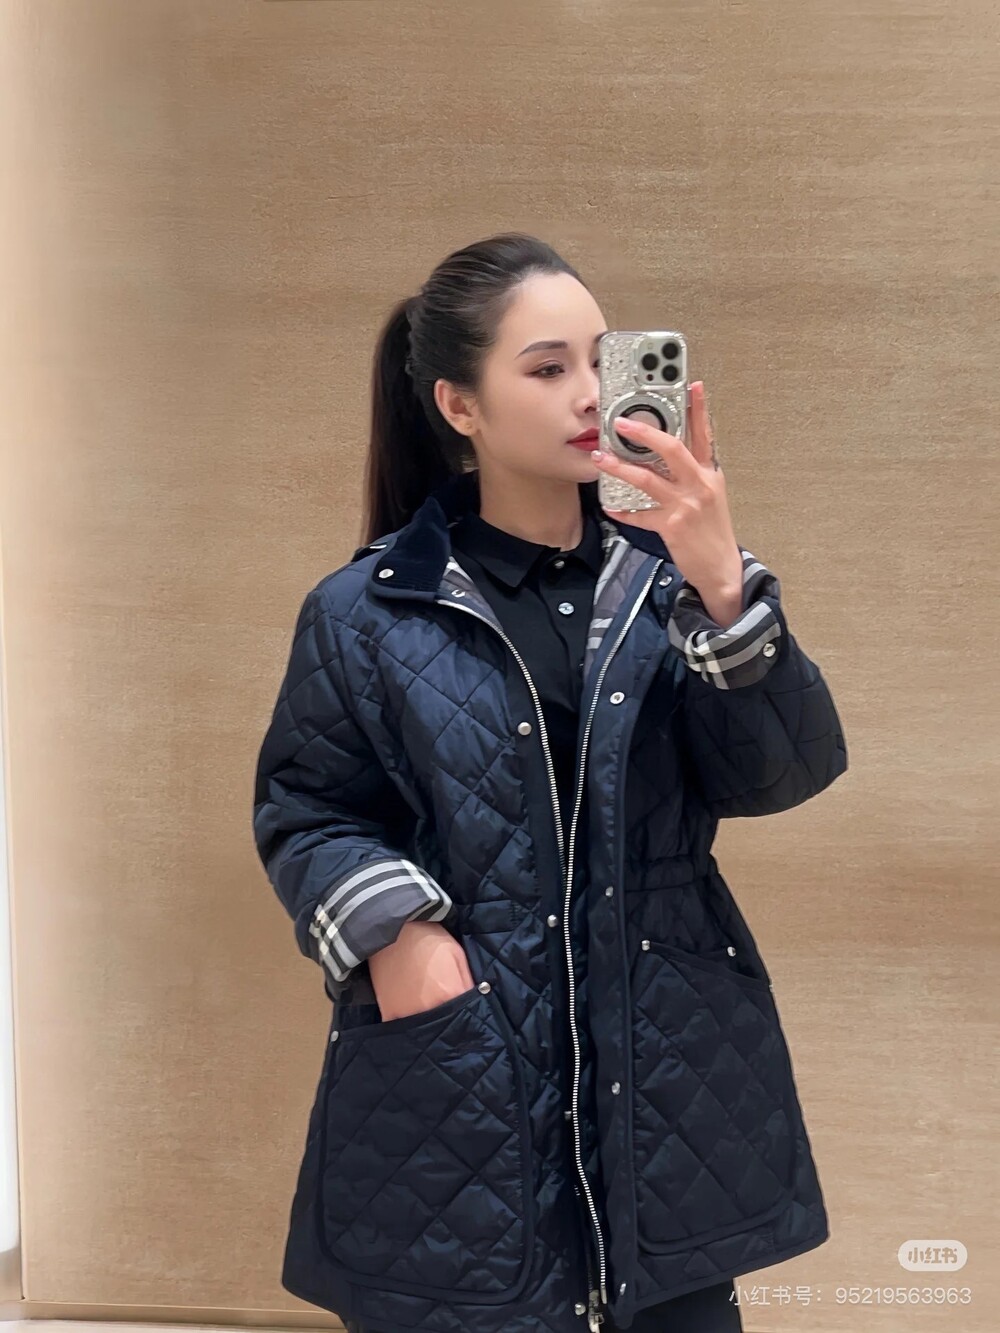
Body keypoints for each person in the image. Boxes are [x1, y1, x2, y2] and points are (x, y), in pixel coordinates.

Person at [252, 232, 848, 1333]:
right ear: (459, 405)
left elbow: (783, 772)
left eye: (599, 358)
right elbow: (308, 809)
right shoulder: (367, 610)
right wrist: (398, 936)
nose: (589, 393)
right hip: (462, 1065)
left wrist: (722, 586)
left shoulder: (670, 584)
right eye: (546, 367)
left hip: (668, 1070)